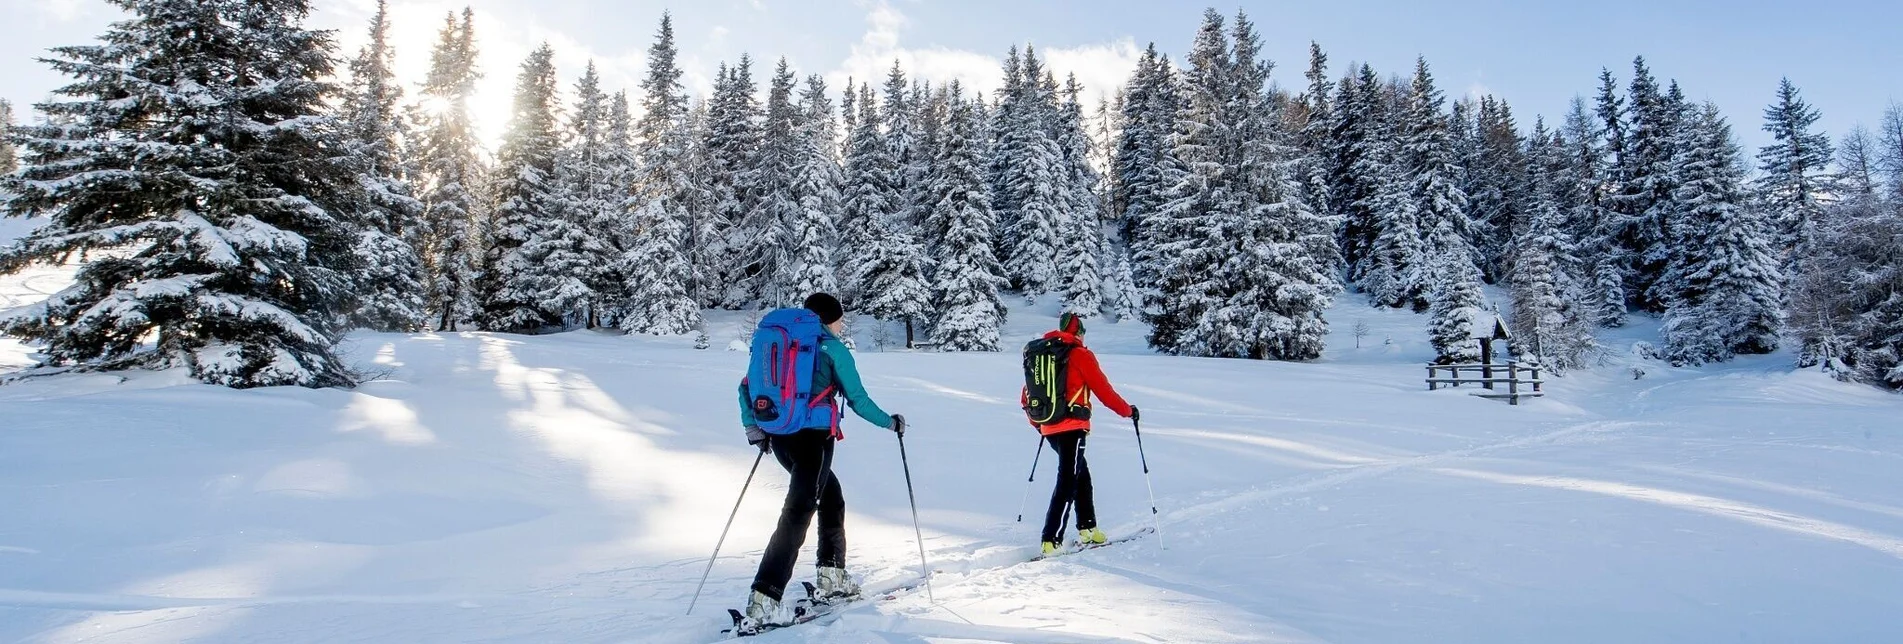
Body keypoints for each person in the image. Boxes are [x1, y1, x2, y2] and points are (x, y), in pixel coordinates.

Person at [737, 292, 905, 630]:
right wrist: (891, 422)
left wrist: (752, 427)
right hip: (814, 441)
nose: (841, 326)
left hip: (779, 436)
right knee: (798, 513)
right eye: (840, 320)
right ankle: (765, 598)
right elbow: (857, 399)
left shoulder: (781, 343)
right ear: (829, 319)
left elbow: (745, 386)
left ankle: (831, 574)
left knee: (830, 496)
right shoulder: (831, 349)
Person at [1021, 312, 1137, 556]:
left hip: (1049, 426)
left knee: (1081, 476)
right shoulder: (1079, 354)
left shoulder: (1045, 355)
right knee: (1069, 480)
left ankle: (1088, 528)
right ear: (1079, 332)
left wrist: (1039, 424)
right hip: (1072, 427)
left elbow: (1028, 394)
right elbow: (1103, 390)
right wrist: (1128, 411)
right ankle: (1051, 540)